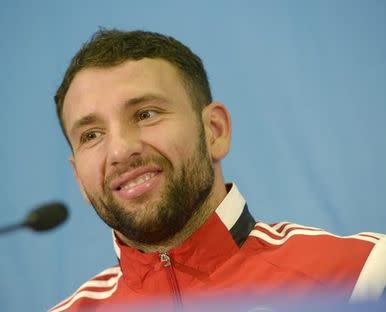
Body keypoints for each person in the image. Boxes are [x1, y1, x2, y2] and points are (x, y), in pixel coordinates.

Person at [49, 29, 386, 311]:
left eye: (146, 114)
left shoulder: (363, 275)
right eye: (91, 135)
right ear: (78, 176)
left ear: (215, 131)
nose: (121, 150)